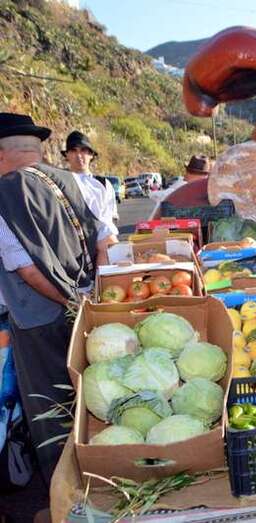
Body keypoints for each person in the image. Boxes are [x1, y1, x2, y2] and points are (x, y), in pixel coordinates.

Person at [0, 113, 115, 482]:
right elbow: (106, 240)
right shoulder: (74, 181)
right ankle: (107, 472)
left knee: (51, 407)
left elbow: (26, 268)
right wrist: (92, 293)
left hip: (40, 320)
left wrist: (68, 302)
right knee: (96, 392)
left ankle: (65, 491)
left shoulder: (4, 192)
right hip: (88, 304)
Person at [63, 130, 121, 228]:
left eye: (83, 150)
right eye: (73, 150)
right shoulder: (59, 183)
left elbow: (111, 219)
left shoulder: (103, 184)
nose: (79, 155)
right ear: (67, 155)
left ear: (91, 155)